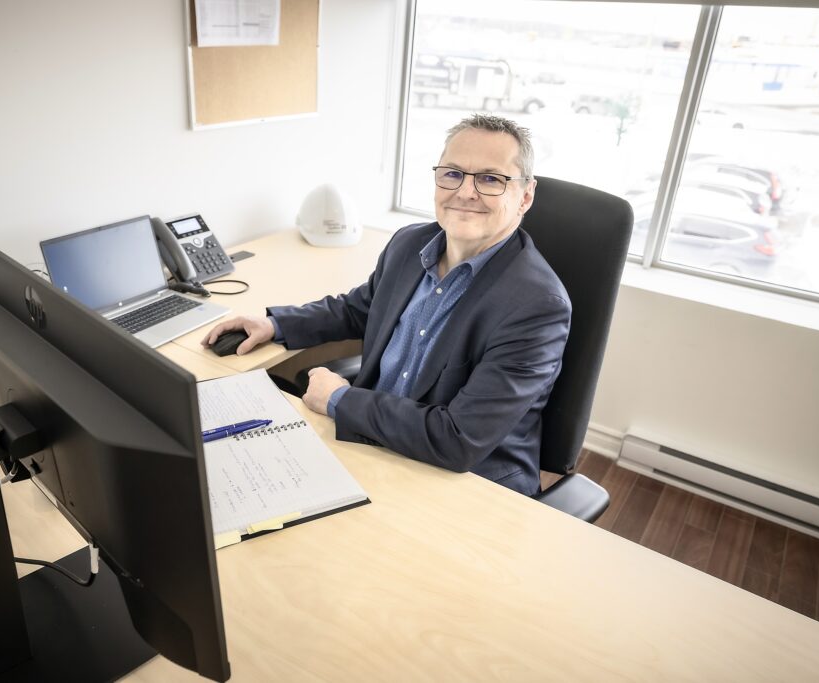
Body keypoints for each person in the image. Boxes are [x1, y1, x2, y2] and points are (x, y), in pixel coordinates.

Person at [202, 114, 571, 496]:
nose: (465, 192)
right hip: (374, 444)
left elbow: (459, 440)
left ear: (525, 196)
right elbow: (358, 310)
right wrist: (275, 325)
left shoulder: (538, 307)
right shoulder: (410, 244)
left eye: (491, 179)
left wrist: (340, 400)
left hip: (462, 483)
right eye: (453, 173)